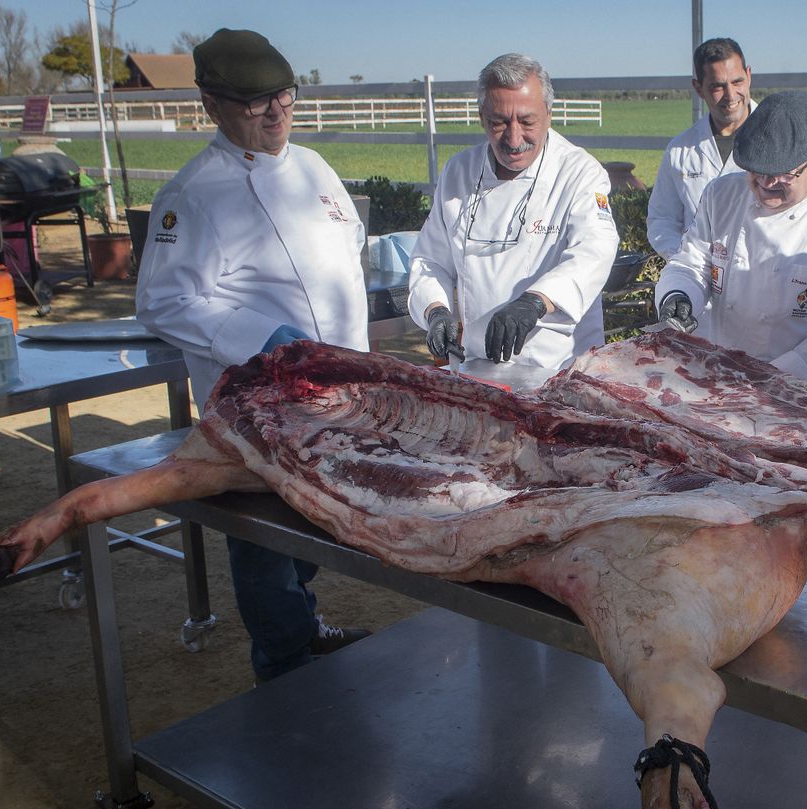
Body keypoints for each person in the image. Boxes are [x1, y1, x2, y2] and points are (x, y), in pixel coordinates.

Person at [136, 28, 371, 682]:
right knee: (266, 535)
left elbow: (349, 249)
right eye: (256, 102)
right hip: (257, 405)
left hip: (337, 394)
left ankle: (299, 622)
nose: (277, 112)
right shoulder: (193, 194)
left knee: (315, 524)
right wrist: (257, 337)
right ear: (211, 105)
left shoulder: (313, 167)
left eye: (286, 96)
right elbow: (161, 300)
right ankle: (283, 658)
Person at [407, 53, 618, 391]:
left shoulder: (579, 172)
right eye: (499, 122)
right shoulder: (458, 172)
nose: (514, 138)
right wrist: (436, 312)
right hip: (476, 370)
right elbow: (431, 260)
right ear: (481, 117)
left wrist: (534, 302)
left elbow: (595, 250)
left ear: (549, 115)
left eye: (527, 121)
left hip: (561, 373)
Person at [652, 90, 807, 394]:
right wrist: (678, 295)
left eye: (782, 175)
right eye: (755, 171)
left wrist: (770, 378)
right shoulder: (720, 196)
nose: (764, 184)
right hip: (729, 381)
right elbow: (692, 262)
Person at [646, 37, 755, 259]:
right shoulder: (680, 150)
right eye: (717, 86)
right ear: (698, 88)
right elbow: (662, 219)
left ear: (749, 76)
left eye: (737, 82)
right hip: (699, 282)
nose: (731, 95)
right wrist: (687, 259)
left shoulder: (781, 139)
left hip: (763, 276)